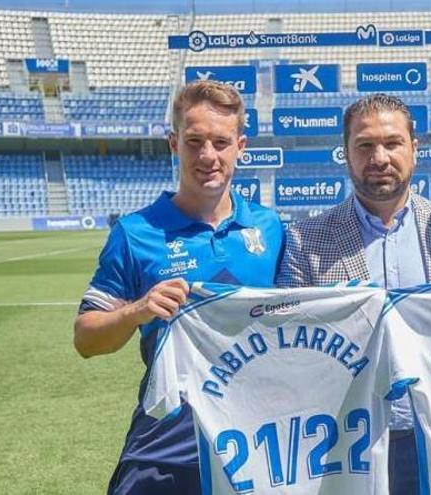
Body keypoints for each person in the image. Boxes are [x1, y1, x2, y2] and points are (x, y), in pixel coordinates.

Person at [73, 80, 283, 495]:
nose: (208, 155)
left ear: (240, 146)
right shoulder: (136, 233)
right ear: (174, 144)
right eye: (194, 141)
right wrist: (138, 310)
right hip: (167, 442)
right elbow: (85, 339)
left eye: (221, 142)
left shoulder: (269, 228)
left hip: (255, 438)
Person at [277, 93, 431, 494]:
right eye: (365, 145)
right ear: (346, 153)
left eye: (392, 143)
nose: (379, 158)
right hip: (347, 442)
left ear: (414, 149)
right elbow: (290, 349)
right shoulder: (306, 239)